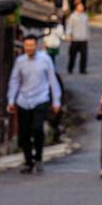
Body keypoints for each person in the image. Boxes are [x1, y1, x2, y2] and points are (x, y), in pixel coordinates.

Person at [6, 34, 61, 174]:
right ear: (24, 47)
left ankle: (39, 158)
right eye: (27, 45)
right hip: (24, 100)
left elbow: (52, 80)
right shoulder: (20, 61)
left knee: (37, 128)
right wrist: (11, 100)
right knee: (24, 133)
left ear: (36, 45)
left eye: (32, 45)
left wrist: (56, 100)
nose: (29, 48)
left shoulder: (45, 59)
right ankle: (28, 161)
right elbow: (14, 81)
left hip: (40, 98)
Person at [66, 0, 90, 74]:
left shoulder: (85, 16)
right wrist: (68, 35)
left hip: (83, 38)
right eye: (80, 6)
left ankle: (82, 69)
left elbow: (87, 27)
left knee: (84, 56)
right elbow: (69, 26)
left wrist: (87, 36)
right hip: (75, 38)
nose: (81, 8)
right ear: (76, 7)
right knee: (72, 55)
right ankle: (70, 68)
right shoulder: (72, 16)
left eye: (82, 6)